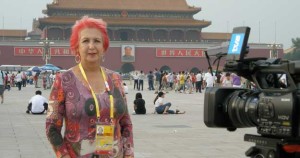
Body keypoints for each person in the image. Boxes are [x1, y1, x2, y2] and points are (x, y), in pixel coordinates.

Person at [45, 16, 134, 158]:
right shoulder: (63, 80)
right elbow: (51, 127)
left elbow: (126, 123)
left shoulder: (115, 79)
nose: (91, 46)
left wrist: (129, 154)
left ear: (104, 47)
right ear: (77, 47)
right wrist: (64, 156)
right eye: (85, 41)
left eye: (97, 41)